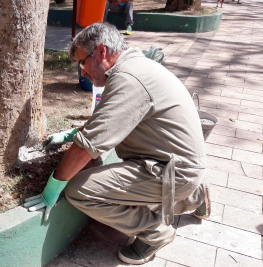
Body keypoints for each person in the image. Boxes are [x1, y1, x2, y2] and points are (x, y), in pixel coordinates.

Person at [24, 23, 210, 265]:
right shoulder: (136, 67)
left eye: (82, 63)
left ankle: (156, 233)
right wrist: (68, 135)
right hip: (180, 164)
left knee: (78, 190)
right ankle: (196, 195)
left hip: (173, 172)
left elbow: (87, 146)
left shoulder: (128, 79)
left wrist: (52, 188)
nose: (82, 73)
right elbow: (105, 122)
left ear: (101, 52)